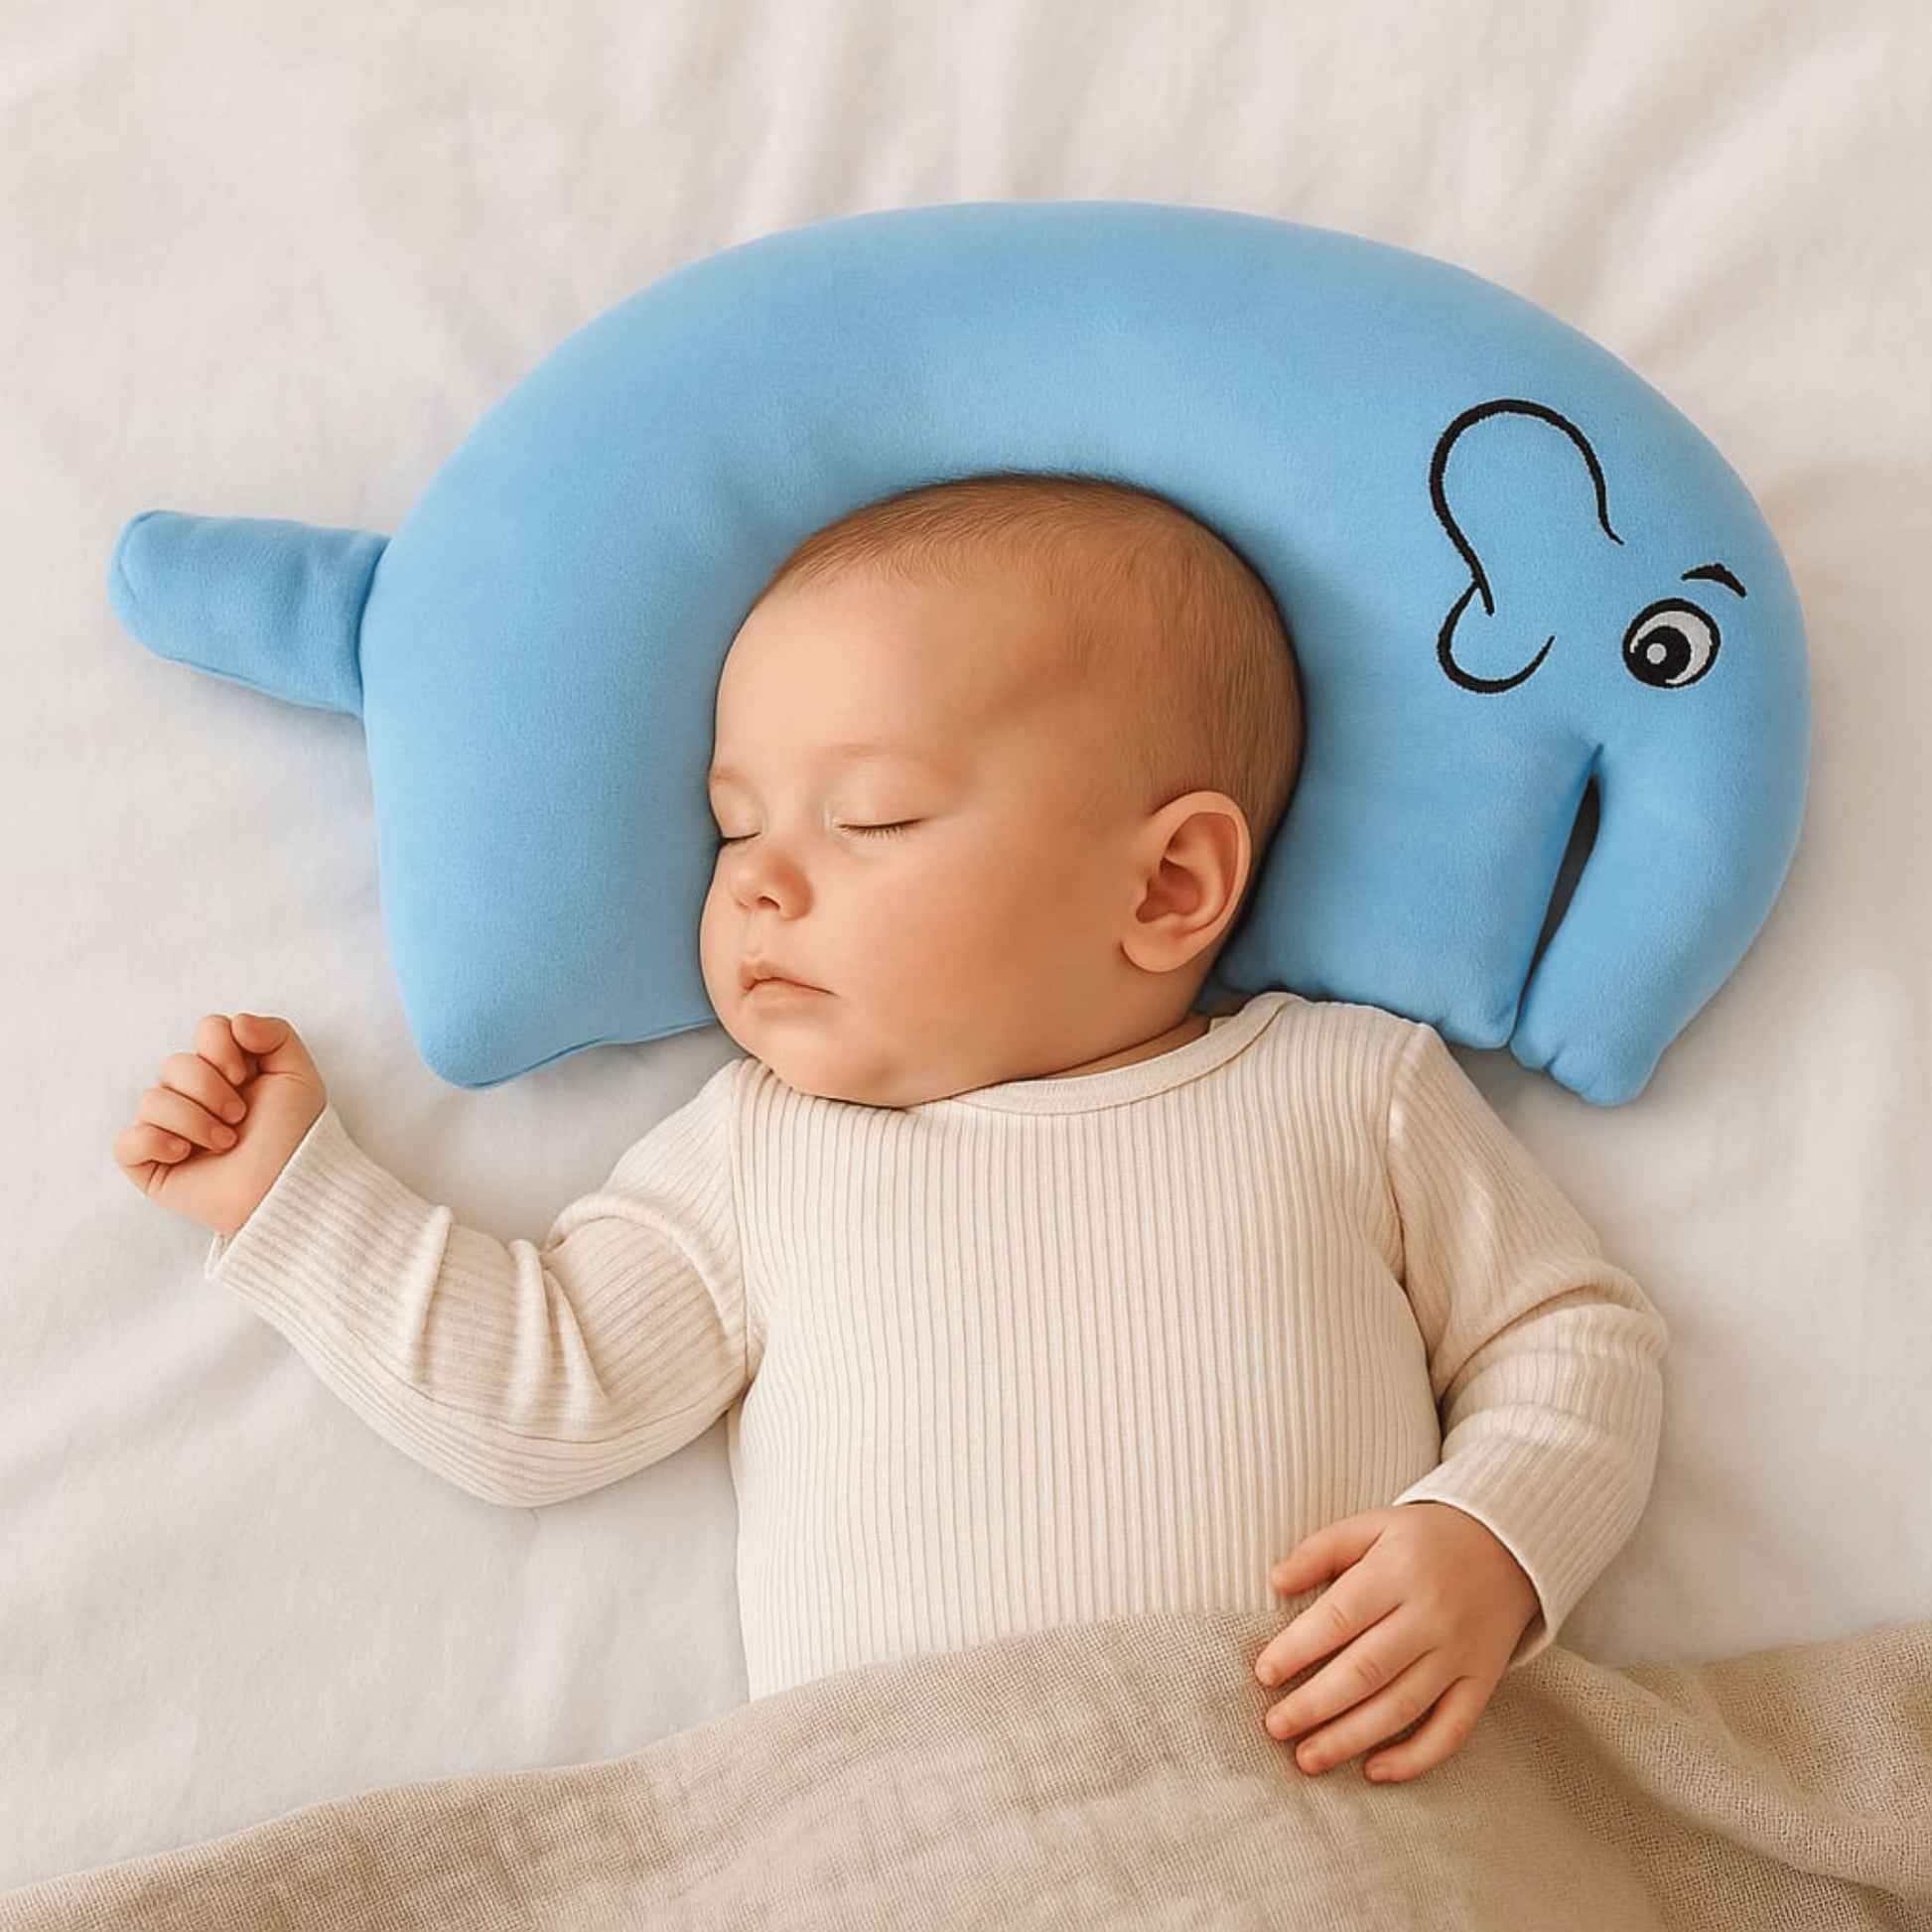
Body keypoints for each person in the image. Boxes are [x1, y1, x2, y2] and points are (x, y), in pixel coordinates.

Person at [113, 474, 1666, 1785]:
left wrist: (1488, 1542)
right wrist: (291, 1196)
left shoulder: (1348, 1090)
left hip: (1313, 1817)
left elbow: (1570, 1335)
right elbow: (547, 1390)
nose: (755, 881)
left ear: (1168, 884)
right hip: (919, 1836)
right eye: (734, 825)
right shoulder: (761, 1152)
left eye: (869, 818)